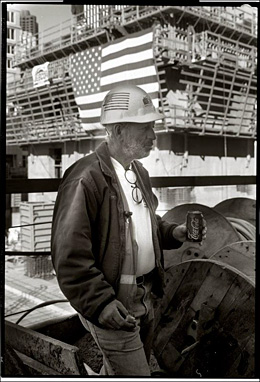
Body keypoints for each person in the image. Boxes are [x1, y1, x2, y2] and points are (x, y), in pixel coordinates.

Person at [51, 84, 207, 376]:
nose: (153, 136)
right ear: (118, 130)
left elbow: (142, 226)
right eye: (145, 127)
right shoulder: (86, 178)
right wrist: (101, 305)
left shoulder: (138, 173)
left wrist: (173, 233)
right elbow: (69, 256)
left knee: (118, 372)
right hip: (114, 304)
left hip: (146, 296)